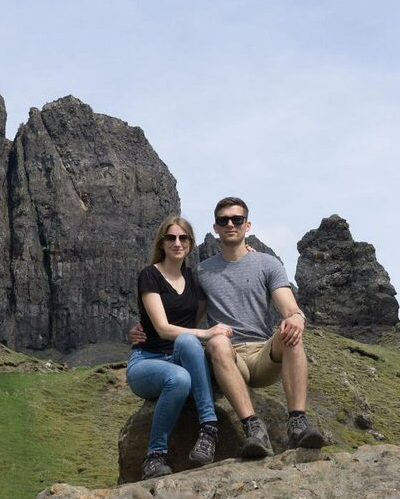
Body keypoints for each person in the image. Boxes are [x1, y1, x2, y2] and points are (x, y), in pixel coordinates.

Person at [131, 197, 323, 459]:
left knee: (291, 333)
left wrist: (297, 316)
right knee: (217, 342)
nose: (230, 224)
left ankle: (298, 423)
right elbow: (186, 317)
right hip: (228, 356)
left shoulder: (267, 264)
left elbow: (288, 306)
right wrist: (143, 329)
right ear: (215, 228)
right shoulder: (201, 272)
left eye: (237, 219)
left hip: (263, 354)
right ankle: (254, 429)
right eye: (224, 220)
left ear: (248, 224)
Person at [127, 215, 233, 480]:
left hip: (177, 355)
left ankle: (208, 428)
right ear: (162, 242)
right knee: (179, 377)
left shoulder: (193, 278)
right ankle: (155, 455)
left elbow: (228, 269)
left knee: (187, 341)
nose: (177, 243)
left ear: (190, 243)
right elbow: (163, 329)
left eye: (183, 238)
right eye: (171, 237)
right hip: (147, 360)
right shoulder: (149, 275)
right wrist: (206, 333)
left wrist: (249, 254)